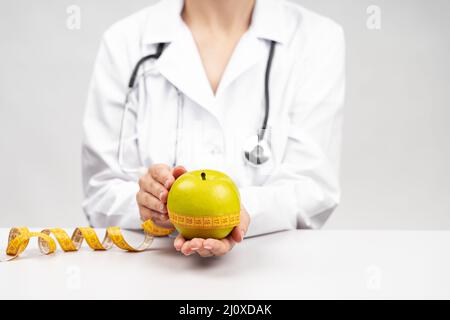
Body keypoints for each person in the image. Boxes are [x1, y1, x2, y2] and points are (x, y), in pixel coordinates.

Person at [82, 0, 346, 257]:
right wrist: (147, 205)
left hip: (268, 278)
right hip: (152, 281)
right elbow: (101, 192)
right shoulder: (124, 41)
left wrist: (238, 213)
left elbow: (313, 190)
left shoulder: (317, 39)